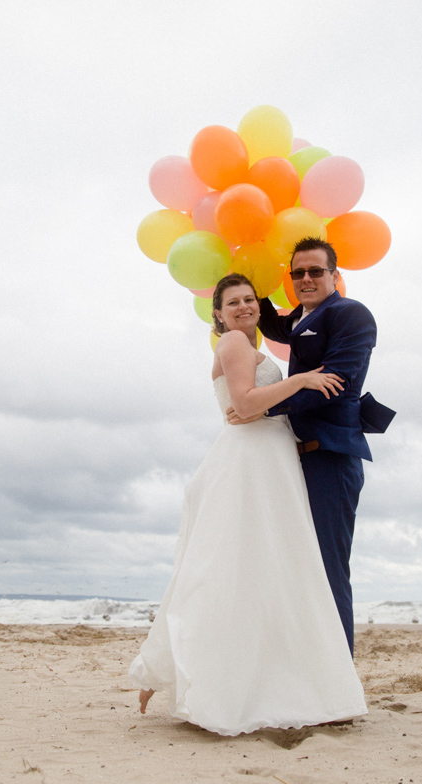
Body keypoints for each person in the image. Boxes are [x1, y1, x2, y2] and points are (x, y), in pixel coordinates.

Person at [129, 273, 367, 737]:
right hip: (251, 463)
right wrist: (300, 379)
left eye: (248, 300)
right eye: (231, 301)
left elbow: (255, 405)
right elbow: (246, 402)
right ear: (217, 313)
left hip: (269, 461)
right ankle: (194, 677)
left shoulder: (248, 342)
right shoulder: (235, 342)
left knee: (260, 573)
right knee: (236, 571)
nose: (242, 306)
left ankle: (245, 677)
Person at [238, 237, 393, 656]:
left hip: (330, 458)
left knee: (327, 570)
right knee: (297, 568)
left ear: (335, 275)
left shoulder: (349, 314)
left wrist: (261, 409)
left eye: (315, 272)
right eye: (297, 273)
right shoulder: (304, 317)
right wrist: (249, 276)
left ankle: (339, 677)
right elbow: (273, 325)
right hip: (295, 459)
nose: (305, 279)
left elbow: (336, 384)